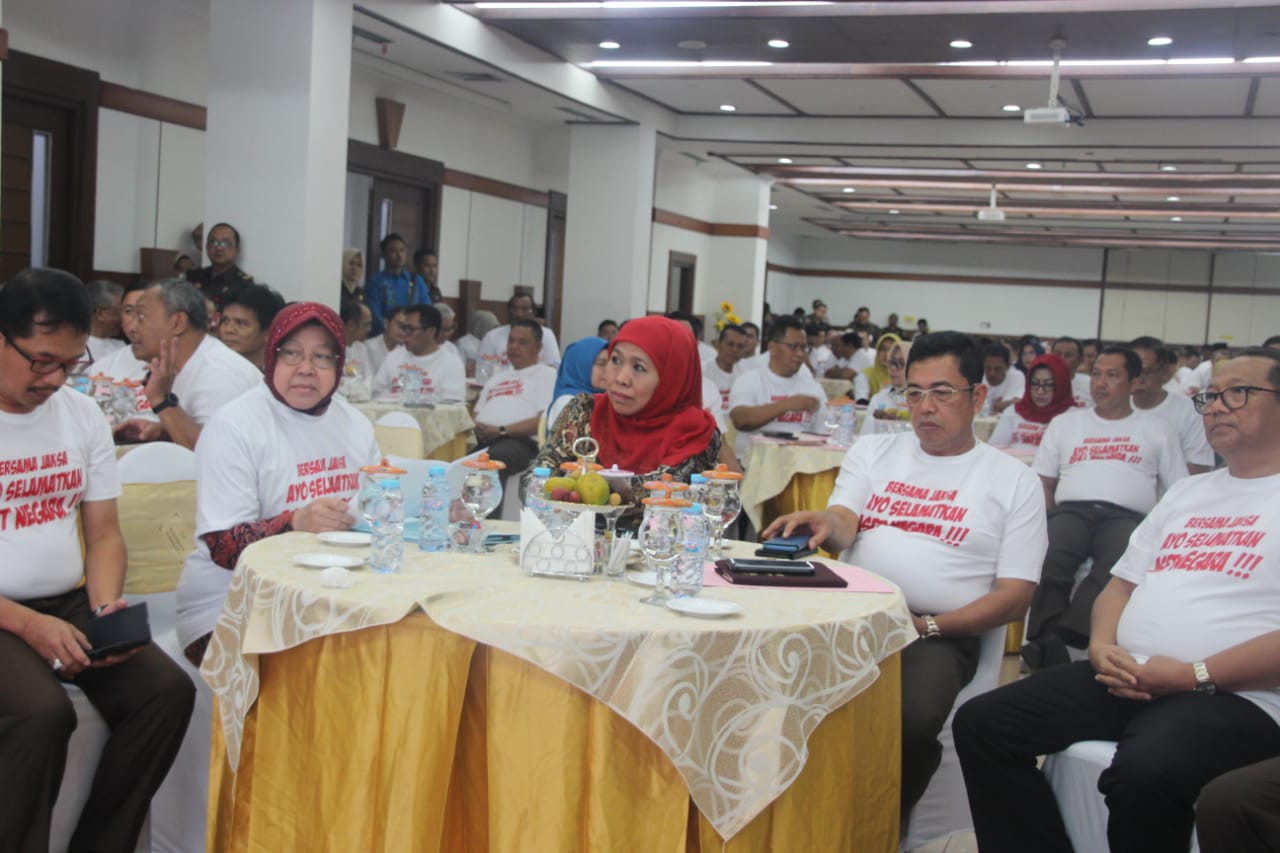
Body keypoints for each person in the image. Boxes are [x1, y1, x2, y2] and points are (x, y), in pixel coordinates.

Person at [955, 347, 1280, 853]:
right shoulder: (1190, 494)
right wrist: (1103, 646)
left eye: (1237, 393)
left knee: (1146, 770)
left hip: (1237, 696)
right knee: (983, 725)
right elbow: (1121, 586)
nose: (1216, 406)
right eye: (1211, 395)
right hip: (1132, 675)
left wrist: (1195, 674)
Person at [763, 330, 1047, 823]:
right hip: (855, 612)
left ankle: (879, 825)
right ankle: (795, 819)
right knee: (773, 687)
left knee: (910, 720)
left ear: (977, 396)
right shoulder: (874, 453)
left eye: (942, 392)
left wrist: (929, 627)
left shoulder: (1013, 480)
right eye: (914, 393)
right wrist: (826, 523)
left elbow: (1015, 597)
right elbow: (845, 519)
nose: (925, 407)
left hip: (939, 631)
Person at [0, 268, 194, 853]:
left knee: (166, 692)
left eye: (70, 362)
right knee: (41, 714)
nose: (55, 378)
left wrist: (106, 606)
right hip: (6, 615)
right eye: (40, 361)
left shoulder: (80, 415)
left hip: (67, 602)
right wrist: (29, 625)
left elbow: (104, 534)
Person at [176, 303, 380, 667]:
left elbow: (374, 511)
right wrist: (293, 522)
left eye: (321, 357)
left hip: (331, 594)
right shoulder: (234, 426)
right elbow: (222, 547)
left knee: (389, 652)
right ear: (272, 357)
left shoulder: (355, 424)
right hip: (233, 605)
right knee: (326, 671)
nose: (305, 369)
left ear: (338, 365)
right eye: (292, 354)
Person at [1022, 345, 1187, 671]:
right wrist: (1047, 518)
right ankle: (1044, 638)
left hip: (1126, 517)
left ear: (1134, 382)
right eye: (1096, 373)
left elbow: (1177, 487)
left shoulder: (1156, 429)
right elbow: (1043, 481)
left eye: (1112, 375)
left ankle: (1072, 632)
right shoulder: (1066, 424)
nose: (1100, 383)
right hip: (1072, 511)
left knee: (1119, 561)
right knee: (1051, 552)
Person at [535, 315, 721, 530]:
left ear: (671, 376)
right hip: (576, 546)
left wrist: (577, 488)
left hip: (660, 553)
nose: (620, 378)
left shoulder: (695, 432)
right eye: (616, 360)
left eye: (639, 368)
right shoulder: (585, 410)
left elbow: (663, 493)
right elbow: (538, 477)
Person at [112, 279, 261, 449]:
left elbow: (217, 453)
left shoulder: (219, 372)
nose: (132, 328)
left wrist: (162, 402)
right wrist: (164, 432)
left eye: (141, 317)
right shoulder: (187, 363)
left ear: (178, 323)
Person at [728, 316, 826, 459]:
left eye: (803, 348)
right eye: (793, 347)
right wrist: (786, 405)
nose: (800, 354)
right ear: (773, 348)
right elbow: (740, 419)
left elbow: (823, 433)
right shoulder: (749, 380)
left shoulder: (812, 387)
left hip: (801, 465)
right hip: (756, 464)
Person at [473, 319, 558, 477]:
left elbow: (542, 421)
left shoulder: (547, 375)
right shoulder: (496, 378)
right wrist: (481, 428)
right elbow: (477, 414)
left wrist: (502, 431)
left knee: (494, 460)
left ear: (538, 347)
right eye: (511, 341)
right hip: (489, 440)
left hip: (524, 443)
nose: (514, 346)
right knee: (461, 464)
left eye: (522, 342)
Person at [1130, 336, 1214, 474]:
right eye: (1131, 372)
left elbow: (1198, 468)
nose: (1137, 379)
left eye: (1145, 372)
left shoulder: (1191, 412)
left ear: (1165, 371)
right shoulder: (1113, 408)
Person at [371, 304, 466, 403]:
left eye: (410, 329)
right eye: (403, 328)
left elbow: (452, 408)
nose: (404, 334)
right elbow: (376, 394)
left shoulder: (452, 364)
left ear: (430, 332)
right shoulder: (393, 357)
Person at [988, 353, 1076, 453]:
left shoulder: (1072, 417)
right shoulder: (1013, 412)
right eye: (1035, 383)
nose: (1040, 391)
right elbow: (994, 449)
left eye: (1048, 385)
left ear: (1061, 385)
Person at [365, 233, 430, 335]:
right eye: (393, 251)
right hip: (385, 337)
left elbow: (427, 310)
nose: (399, 255)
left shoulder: (417, 280)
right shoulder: (375, 281)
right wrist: (394, 330)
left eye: (402, 250)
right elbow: (374, 315)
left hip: (413, 337)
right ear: (384, 254)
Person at [477, 293, 561, 370]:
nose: (519, 314)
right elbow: (482, 368)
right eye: (514, 309)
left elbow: (554, 367)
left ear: (534, 312)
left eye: (525, 309)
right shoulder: (492, 336)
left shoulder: (546, 334)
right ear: (509, 311)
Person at [185, 222, 254, 311]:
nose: (219, 248)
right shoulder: (194, 276)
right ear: (206, 247)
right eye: (213, 242)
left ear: (237, 250)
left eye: (226, 243)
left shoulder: (244, 284)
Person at [547, 336, 607, 437]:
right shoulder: (569, 402)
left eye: (614, 362)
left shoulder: (604, 398)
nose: (609, 369)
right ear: (581, 366)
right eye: (602, 364)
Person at [218, 284, 285, 372]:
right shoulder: (214, 368)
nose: (228, 330)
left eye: (240, 323)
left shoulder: (280, 375)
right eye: (225, 321)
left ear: (268, 332)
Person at [860, 339, 912, 436]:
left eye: (901, 363)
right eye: (891, 362)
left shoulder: (922, 400)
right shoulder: (879, 398)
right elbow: (865, 436)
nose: (893, 368)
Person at [702, 323, 746, 416]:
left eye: (740, 346)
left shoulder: (745, 375)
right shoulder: (701, 371)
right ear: (718, 345)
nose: (734, 350)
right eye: (730, 344)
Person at [980, 340, 1025, 415]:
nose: (992, 374)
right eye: (988, 368)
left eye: (997, 369)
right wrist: (1002, 405)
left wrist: (995, 406)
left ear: (1008, 366)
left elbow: (1017, 405)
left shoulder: (1017, 376)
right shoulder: (977, 376)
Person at [363, 304, 408, 378]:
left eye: (406, 328)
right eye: (399, 325)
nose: (402, 331)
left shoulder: (407, 351)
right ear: (386, 324)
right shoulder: (367, 347)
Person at [85, 279, 126, 360]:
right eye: (120, 312)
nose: (124, 319)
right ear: (100, 313)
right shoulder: (77, 348)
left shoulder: (122, 347)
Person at [855, 332, 902, 402]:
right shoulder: (866, 374)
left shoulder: (907, 376)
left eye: (892, 349)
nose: (887, 354)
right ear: (877, 351)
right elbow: (861, 400)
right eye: (883, 349)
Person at [340, 301, 373, 392]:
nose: (370, 329)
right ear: (351, 325)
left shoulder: (361, 348)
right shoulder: (333, 348)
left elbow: (369, 378)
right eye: (366, 325)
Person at [1052, 336, 1093, 405]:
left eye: (1068, 355)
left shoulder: (1091, 384)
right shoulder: (1039, 383)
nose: (1061, 359)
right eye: (1057, 355)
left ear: (1080, 360)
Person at [459, 309, 498, 377]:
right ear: (480, 326)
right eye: (491, 328)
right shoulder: (462, 343)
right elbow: (459, 368)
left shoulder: (493, 342)